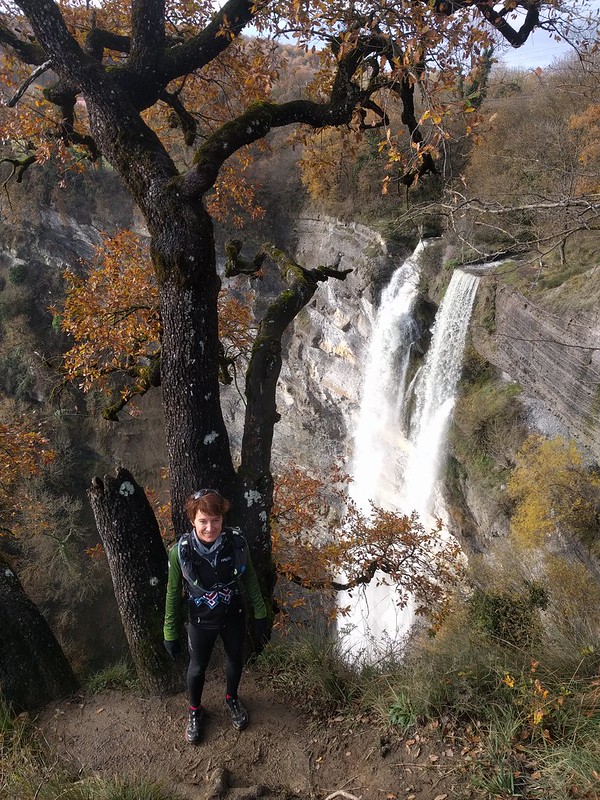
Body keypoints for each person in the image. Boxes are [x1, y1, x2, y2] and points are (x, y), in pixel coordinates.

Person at [163, 489, 269, 744]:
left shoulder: (236, 544)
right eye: (203, 521)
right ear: (192, 521)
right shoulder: (181, 552)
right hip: (201, 621)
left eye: (216, 520)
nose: (210, 528)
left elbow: (250, 578)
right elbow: (173, 591)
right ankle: (195, 711)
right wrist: (170, 631)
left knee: (235, 658)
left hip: (234, 615)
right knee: (197, 667)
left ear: (223, 519)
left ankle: (232, 698)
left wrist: (261, 613)